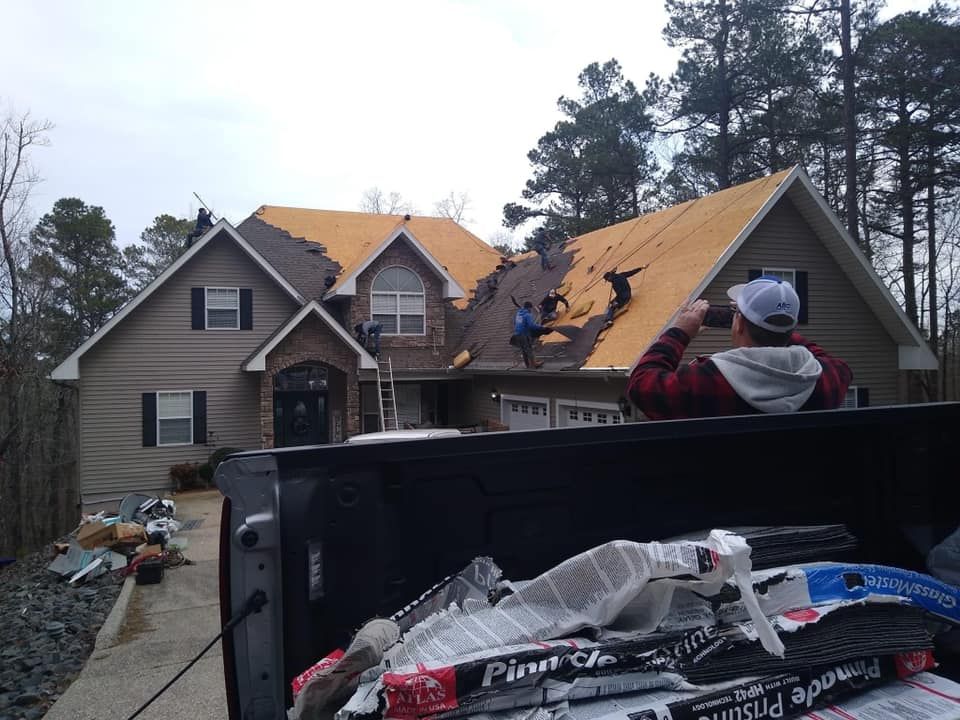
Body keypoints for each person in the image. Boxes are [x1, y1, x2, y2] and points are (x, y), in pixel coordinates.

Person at [627, 276, 852, 420]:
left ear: (740, 324)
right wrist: (775, 326)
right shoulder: (825, 378)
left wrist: (680, 331)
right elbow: (831, 361)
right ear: (789, 328)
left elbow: (641, 386)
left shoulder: (708, 380)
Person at [510, 300, 552, 368]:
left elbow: (520, 312)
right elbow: (531, 326)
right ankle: (533, 364)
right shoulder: (527, 315)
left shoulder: (519, 313)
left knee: (524, 350)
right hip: (523, 334)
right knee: (529, 349)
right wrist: (542, 327)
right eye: (530, 308)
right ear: (529, 308)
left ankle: (527, 364)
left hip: (517, 334)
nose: (531, 310)